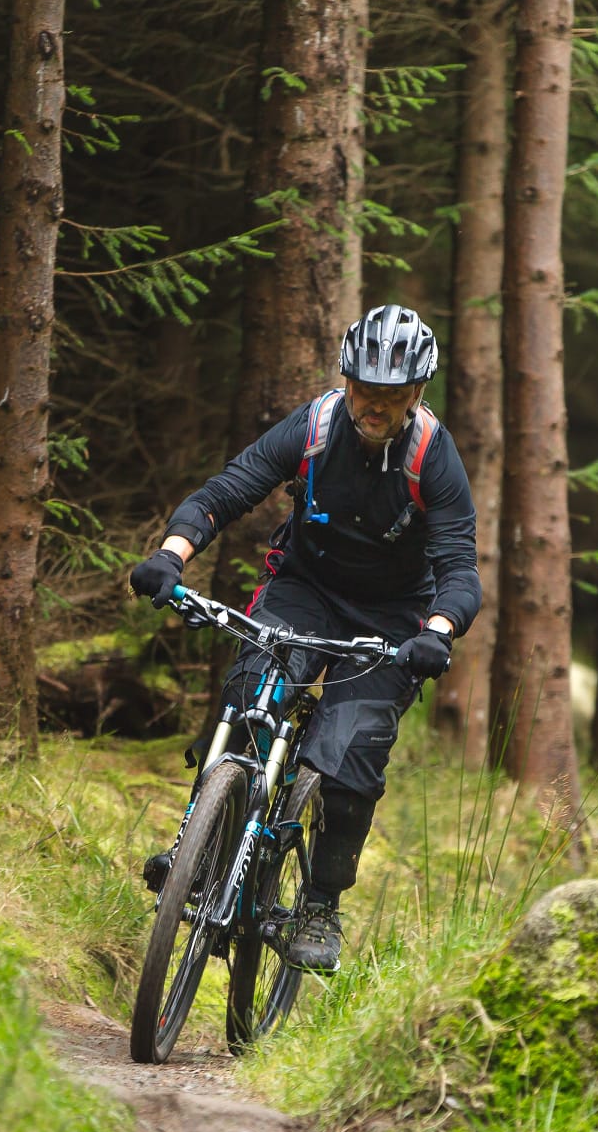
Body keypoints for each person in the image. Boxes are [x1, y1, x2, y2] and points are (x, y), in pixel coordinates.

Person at [128, 303, 481, 973]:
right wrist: (171, 555)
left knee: (349, 755)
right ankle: (201, 852)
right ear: (347, 380)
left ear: (415, 395)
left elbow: (460, 567)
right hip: (306, 590)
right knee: (251, 689)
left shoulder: (432, 456)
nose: (374, 406)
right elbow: (227, 491)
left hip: (395, 621)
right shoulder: (316, 426)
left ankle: (320, 904)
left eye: (391, 395)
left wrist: (438, 629)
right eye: (364, 389)